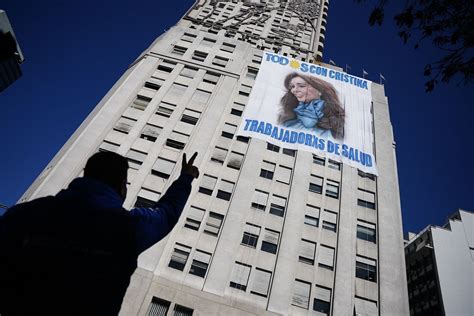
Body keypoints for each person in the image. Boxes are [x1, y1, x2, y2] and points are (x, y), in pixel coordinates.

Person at [0, 151, 199, 315]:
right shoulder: (129, 227)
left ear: (86, 175)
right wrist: (185, 178)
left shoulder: (25, 214)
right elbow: (166, 214)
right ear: (122, 186)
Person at [278, 72, 345, 139]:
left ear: (319, 90)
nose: (294, 90)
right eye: (292, 86)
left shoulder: (335, 119)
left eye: (301, 86)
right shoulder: (287, 115)